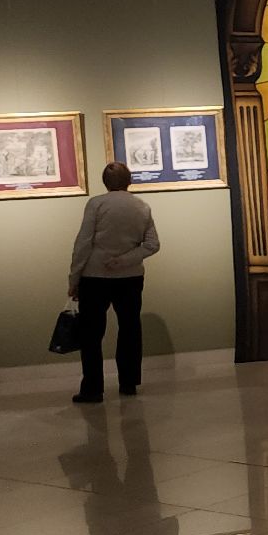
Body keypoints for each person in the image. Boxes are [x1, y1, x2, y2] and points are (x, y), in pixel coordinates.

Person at [67, 161, 160, 403]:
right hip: (130, 277)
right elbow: (152, 244)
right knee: (130, 328)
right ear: (129, 180)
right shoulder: (142, 206)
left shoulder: (96, 204)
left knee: (91, 334)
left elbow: (83, 243)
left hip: (94, 276)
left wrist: (74, 277)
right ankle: (128, 383)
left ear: (105, 182)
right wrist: (124, 260)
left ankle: (92, 388)